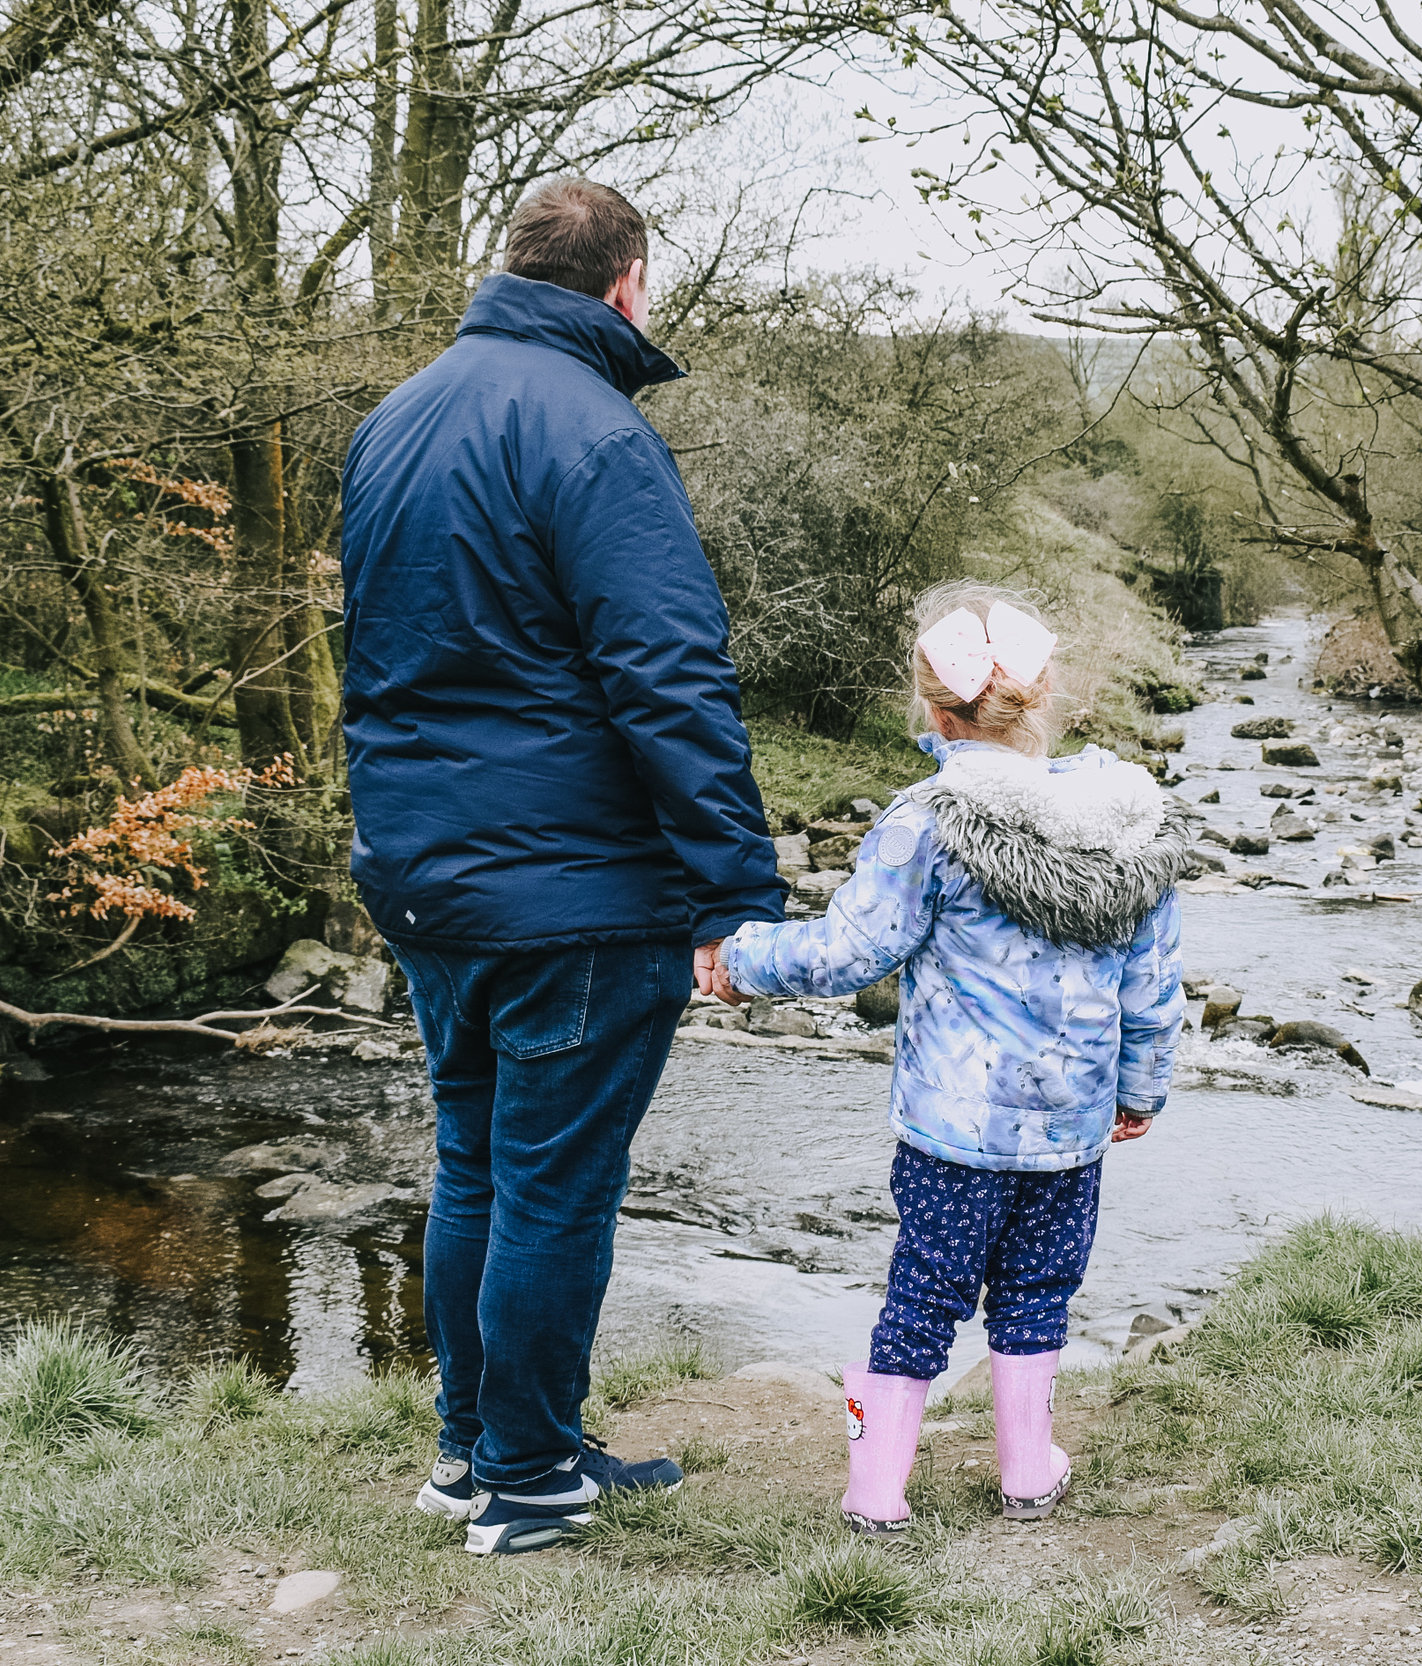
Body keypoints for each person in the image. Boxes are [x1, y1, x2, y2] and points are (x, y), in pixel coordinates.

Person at [338, 177, 782, 1555]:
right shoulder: (595, 434)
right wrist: (736, 890)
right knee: (552, 1184)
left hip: (426, 872)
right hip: (571, 885)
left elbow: (387, 656)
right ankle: (526, 1480)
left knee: (475, 1163)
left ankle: (477, 1449)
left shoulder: (395, 421)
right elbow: (668, 675)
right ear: (627, 283)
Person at [715, 582, 1186, 1536]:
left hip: (950, 1129)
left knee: (922, 1291)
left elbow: (851, 951)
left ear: (933, 712)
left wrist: (741, 961)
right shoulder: (1126, 823)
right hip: (1071, 1128)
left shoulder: (926, 820)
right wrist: (1141, 1089)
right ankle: (1026, 1475)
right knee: (1038, 1293)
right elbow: (1154, 983)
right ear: (1045, 697)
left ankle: (876, 1492)